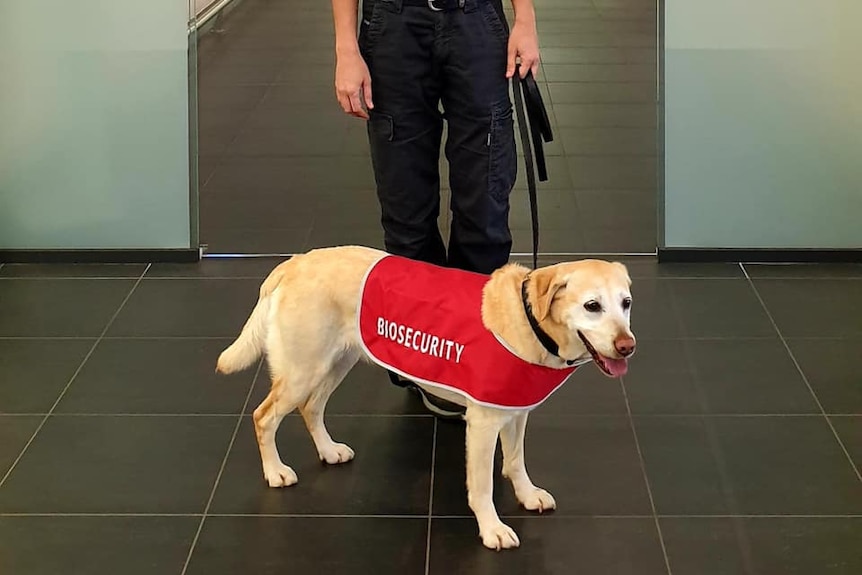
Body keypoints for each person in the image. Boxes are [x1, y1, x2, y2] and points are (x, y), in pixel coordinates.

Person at [330, 0, 540, 418]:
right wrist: (346, 50)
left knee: (485, 203)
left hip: (476, 22)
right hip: (393, 26)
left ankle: (479, 345)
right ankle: (424, 355)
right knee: (406, 209)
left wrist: (525, 21)